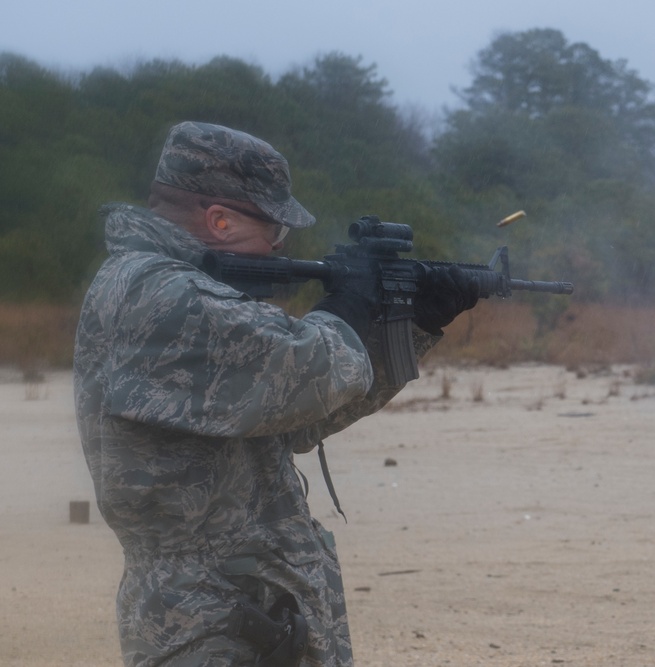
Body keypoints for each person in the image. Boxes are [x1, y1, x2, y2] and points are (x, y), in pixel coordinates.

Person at [73, 121, 478, 666]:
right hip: (211, 616)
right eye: (275, 227)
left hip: (242, 601)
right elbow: (310, 366)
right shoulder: (161, 293)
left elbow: (297, 417)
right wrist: (351, 305)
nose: (282, 245)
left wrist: (414, 325)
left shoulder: (182, 287)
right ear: (219, 220)